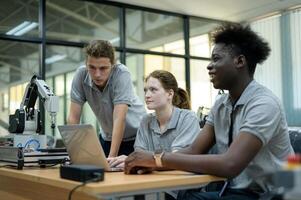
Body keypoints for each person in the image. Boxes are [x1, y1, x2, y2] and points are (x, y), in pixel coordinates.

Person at [124, 24, 294, 200]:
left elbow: (230, 164)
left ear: (240, 61)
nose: (209, 66)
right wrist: (152, 163)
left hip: (270, 194)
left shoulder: (264, 104)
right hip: (233, 191)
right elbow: (193, 151)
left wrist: (157, 159)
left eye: (216, 59)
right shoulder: (220, 104)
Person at [68, 40, 146, 158]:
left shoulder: (121, 73)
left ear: (113, 65)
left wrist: (112, 157)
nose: (97, 74)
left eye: (103, 68)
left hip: (136, 137)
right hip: (108, 137)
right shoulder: (81, 74)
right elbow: (73, 117)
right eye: (92, 67)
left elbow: (119, 118)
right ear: (86, 64)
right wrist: (74, 152)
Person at [107, 70, 200, 169]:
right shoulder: (145, 121)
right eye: (145, 90)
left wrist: (144, 162)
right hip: (154, 181)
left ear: (170, 94)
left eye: (153, 90)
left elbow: (176, 160)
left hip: (184, 182)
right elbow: (140, 157)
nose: (147, 95)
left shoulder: (188, 118)